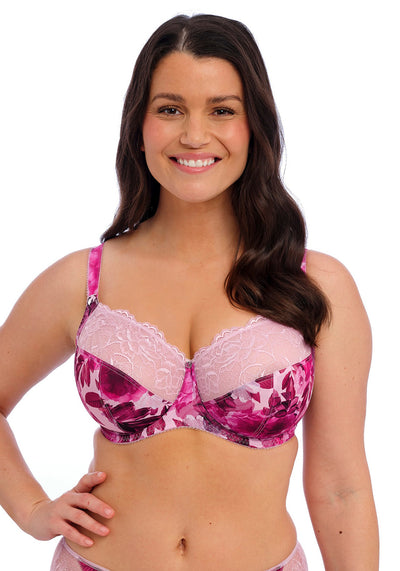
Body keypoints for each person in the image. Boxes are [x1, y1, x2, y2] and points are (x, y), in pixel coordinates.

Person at [0, 13, 379, 571]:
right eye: (170, 109)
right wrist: (31, 509)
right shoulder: (82, 282)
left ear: (255, 126)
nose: (195, 135)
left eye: (222, 110)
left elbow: (342, 487)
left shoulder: (318, 286)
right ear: (140, 126)